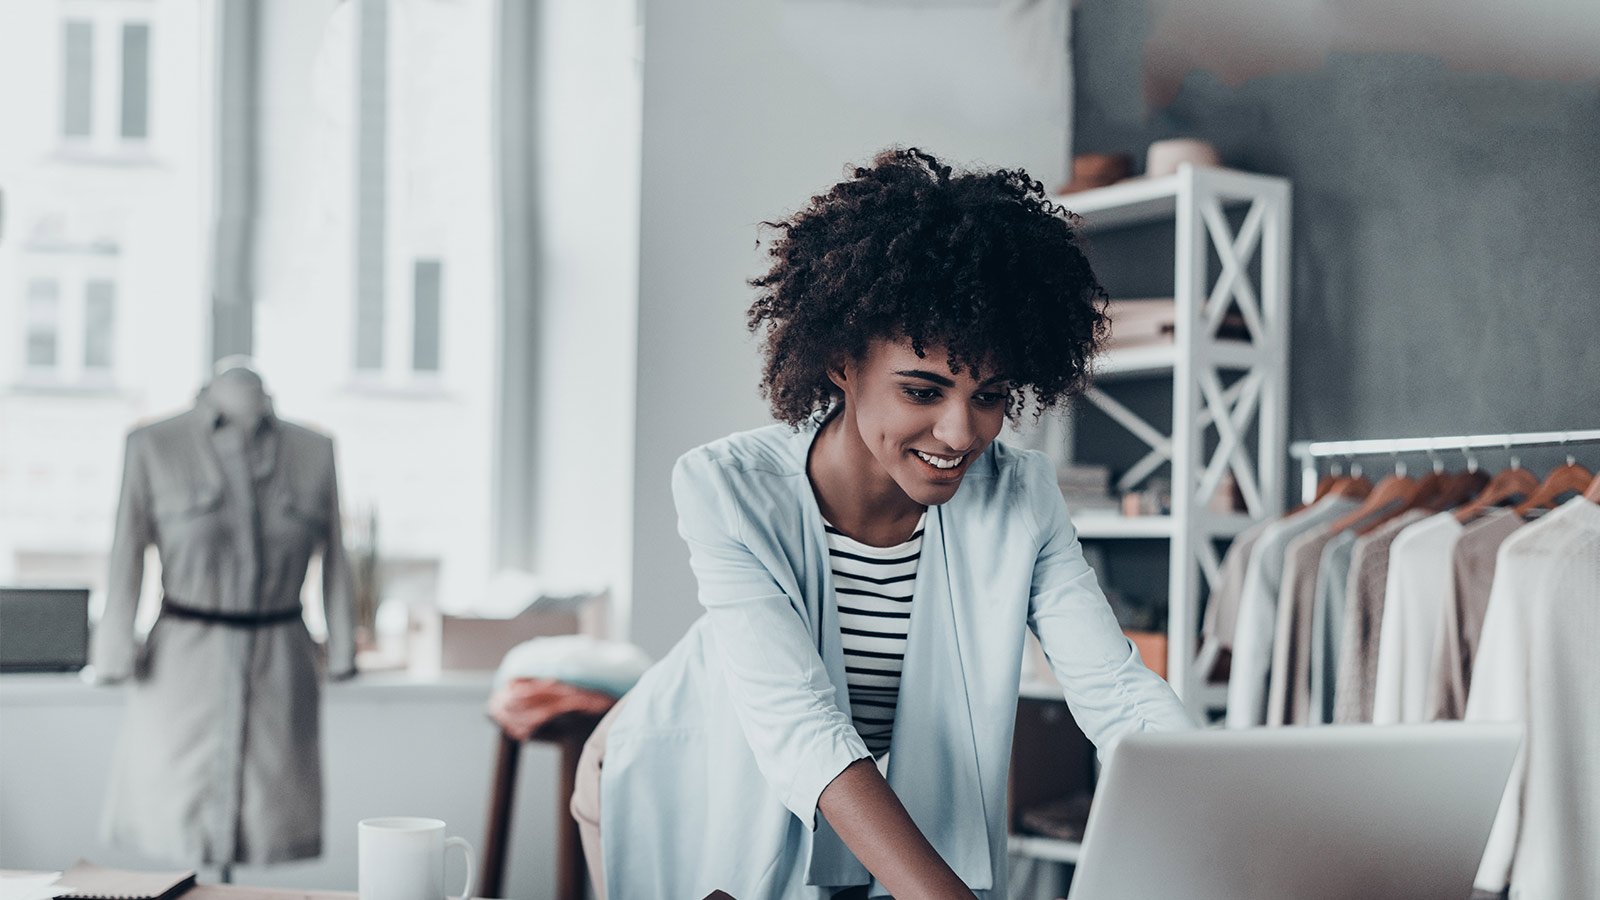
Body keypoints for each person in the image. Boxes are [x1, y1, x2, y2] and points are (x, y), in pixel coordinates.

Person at [570, 147, 1194, 899]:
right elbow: (804, 728)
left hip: (851, 817)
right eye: (922, 389)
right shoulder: (726, 490)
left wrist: (1228, 826)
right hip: (680, 784)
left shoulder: (1020, 498)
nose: (961, 433)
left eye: (990, 395)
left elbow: (1118, 694)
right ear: (842, 360)